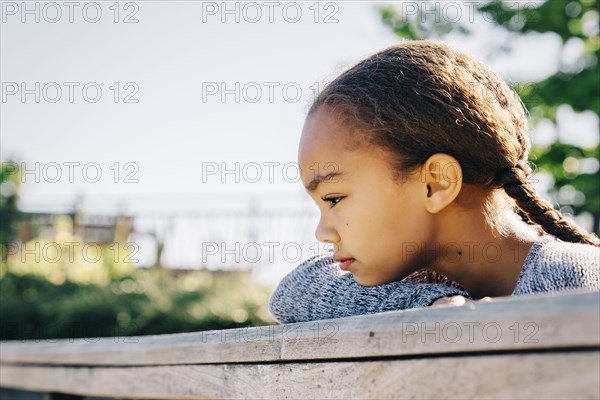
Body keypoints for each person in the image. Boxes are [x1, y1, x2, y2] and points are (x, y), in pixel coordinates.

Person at [268, 40, 600, 324]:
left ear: (436, 183)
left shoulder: (572, 281)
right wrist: (431, 304)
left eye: (334, 199)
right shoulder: (420, 282)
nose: (322, 232)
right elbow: (292, 292)